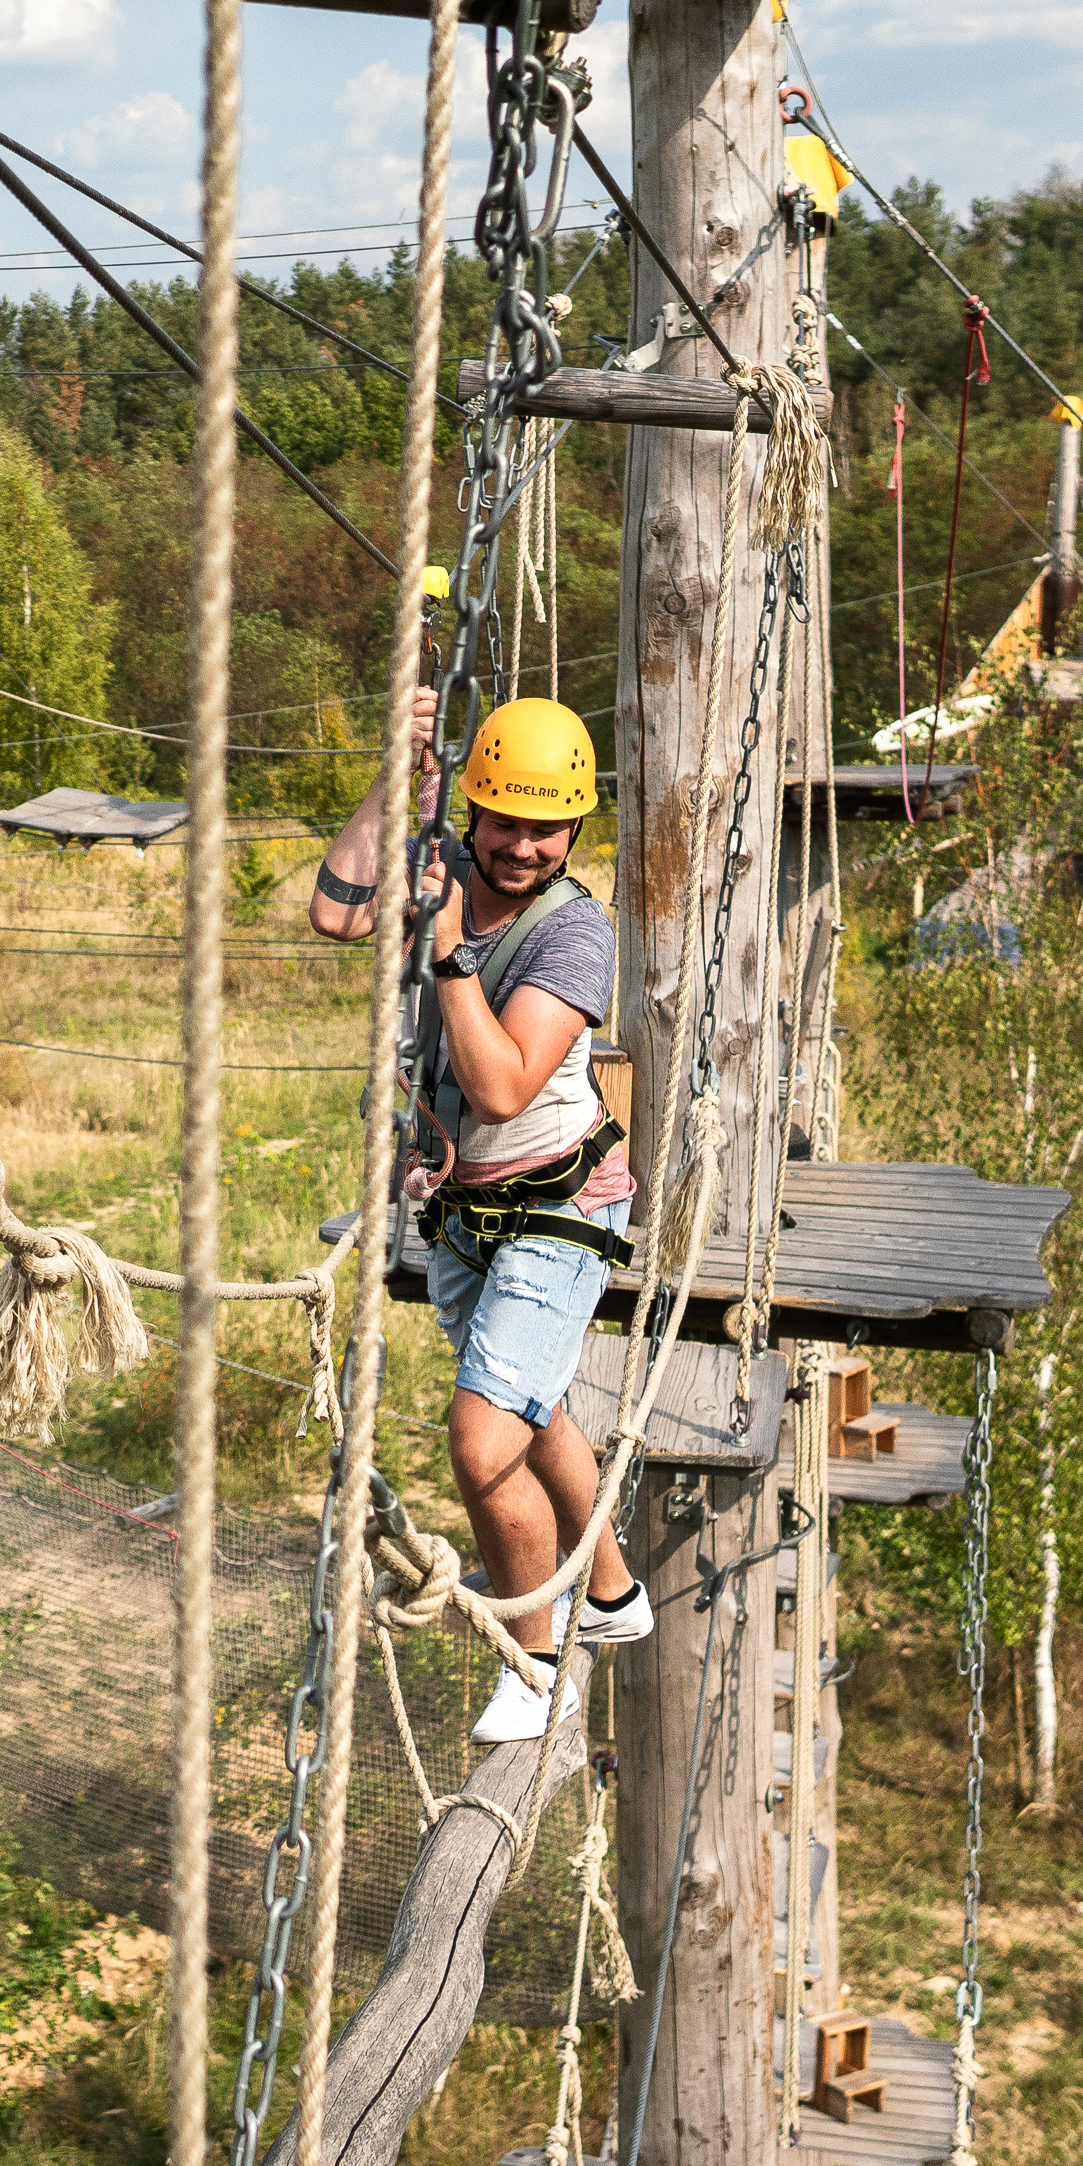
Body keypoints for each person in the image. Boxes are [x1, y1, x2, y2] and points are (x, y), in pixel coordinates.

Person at [303, 690, 652, 1742]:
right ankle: (610, 1592)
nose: (520, 845)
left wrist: (452, 952)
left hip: (558, 1206)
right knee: (532, 1404)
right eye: (501, 819)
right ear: (472, 809)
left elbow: (501, 1087)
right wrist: (391, 777)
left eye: (545, 826)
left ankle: (533, 1662)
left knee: (482, 1433)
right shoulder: (439, 864)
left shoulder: (574, 935)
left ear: (574, 827)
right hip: (465, 1210)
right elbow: (337, 911)